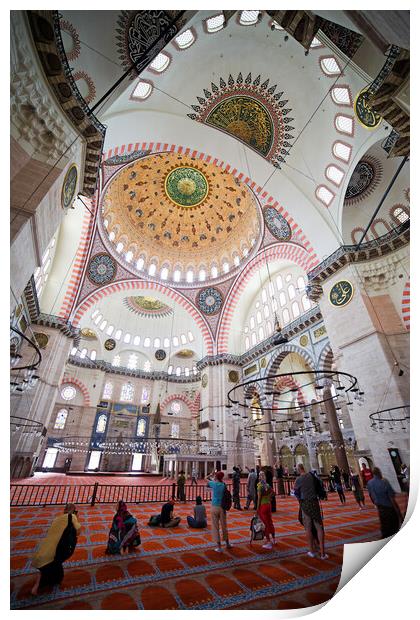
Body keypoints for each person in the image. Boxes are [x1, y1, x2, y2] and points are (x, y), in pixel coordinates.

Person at [31, 503, 81, 595]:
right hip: (56, 551)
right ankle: (38, 585)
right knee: (53, 567)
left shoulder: (57, 519)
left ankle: (40, 583)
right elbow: (78, 531)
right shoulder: (72, 517)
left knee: (47, 567)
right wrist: (77, 518)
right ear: (74, 510)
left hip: (44, 550)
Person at [294, 463, 328, 560]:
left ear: (298, 469)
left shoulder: (298, 479)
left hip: (305, 504)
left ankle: (311, 551)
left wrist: (300, 501)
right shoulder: (312, 476)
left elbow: (296, 493)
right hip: (315, 503)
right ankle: (322, 553)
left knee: (308, 528)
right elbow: (320, 485)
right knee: (319, 527)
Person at [367, 467, 402, 538]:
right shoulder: (384, 482)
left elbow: (371, 496)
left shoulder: (369, 483)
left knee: (385, 527)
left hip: (380, 508)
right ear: (379, 473)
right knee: (394, 527)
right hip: (389, 508)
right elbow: (392, 498)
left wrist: (376, 503)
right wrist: (398, 512)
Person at [206, 470, 232, 552]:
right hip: (222, 507)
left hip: (214, 506)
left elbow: (205, 479)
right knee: (224, 526)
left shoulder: (213, 484)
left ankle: (219, 547)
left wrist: (211, 474)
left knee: (215, 526)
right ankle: (227, 544)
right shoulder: (224, 485)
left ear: (216, 477)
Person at [256, 470, 275, 549]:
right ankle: (274, 539)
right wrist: (269, 499)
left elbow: (259, 499)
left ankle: (268, 542)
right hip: (268, 505)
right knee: (270, 522)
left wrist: (257, 509)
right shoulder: (267, 485)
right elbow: (273, 493)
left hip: (263, 506)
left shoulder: (260, 486)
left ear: (260, 477)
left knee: (265, 524)